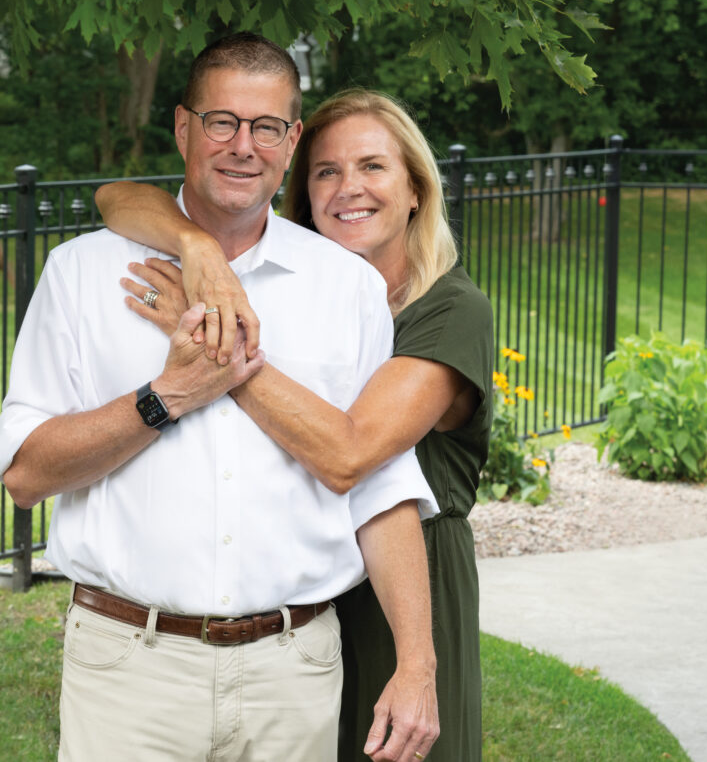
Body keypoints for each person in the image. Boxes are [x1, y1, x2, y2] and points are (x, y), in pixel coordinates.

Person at [0, 35, 441, 762]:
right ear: (182, 128)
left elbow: (381, 486)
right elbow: (25, 476)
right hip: (129, 671)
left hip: (293, 672)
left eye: (267, 127)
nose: (243, 146)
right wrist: (164, 396)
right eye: (221, 122)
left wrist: (417, 666)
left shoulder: (346, 287)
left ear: (291, 141)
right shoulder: (80, 273)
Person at [94, 88, 493, 761]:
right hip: (299, 603)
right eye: (326, 171)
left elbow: (351, 454)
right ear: (303, 193)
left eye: (372, 167)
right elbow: (114, 198)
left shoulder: (450, 310)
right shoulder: (299, 293)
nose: (349, 189)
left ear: (416, 189)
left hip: (406, 592)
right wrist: (197, 249)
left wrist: (213, 341)